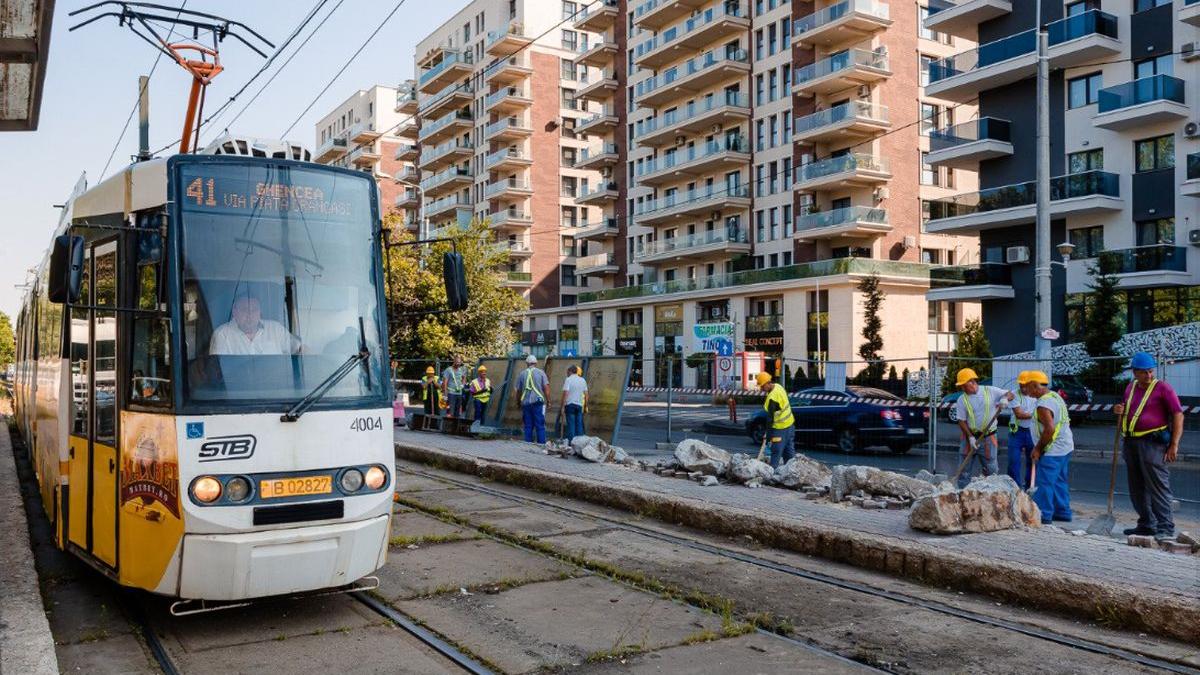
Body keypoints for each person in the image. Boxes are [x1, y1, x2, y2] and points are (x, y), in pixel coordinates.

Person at [1112, 352, 1184, 541]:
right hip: (1131, 442)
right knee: (1137, 487)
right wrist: (1118, 410)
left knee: (1158, 487)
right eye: (1144, 372)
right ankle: (1146, 524)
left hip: (1152, 443)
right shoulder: (1131, 387)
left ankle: (1166, 527)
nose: (1149, 375)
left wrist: (1174, 444)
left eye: (1151, 371)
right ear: (1135, 372)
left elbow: (1178, 415)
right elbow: (1128, 409)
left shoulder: (1163, 389)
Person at [1026, 370, 1074, 524]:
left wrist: (1038, 448)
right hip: (1065, 446)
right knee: (1059, 481)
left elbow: (1049, 429)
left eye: (1027, 387)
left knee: (1044, 482)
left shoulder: (1043, 404)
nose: (1026, 390)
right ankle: (1063, 512)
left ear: (1034, 385)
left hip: (1053, 449)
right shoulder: (1055, 396)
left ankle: (1044, 514)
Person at [953, 368, 1013, 488]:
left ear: (972, 382)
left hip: (988, 437)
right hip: (969, 437)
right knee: (964, 470)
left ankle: (993, 492)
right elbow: (961, 420)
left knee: (991, 469)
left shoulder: (990, 391)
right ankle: (962, 495)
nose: (962, 389)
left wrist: (1005, 399)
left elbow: (1010, 393)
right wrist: (970, 437)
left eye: (964, 385)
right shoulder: (962, 400)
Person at [210, 296, 300, 355]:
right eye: (245, 309)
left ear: (260, 312)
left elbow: (298, 348)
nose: (250, 314)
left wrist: (304, 349)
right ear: (234, 312)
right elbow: (217, 369)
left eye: (254, 309)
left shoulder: (276, 329)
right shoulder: (222, 334)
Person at [1006, 371, 1037, 489]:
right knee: (1014, 461)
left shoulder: (1036, 395)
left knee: (1032, 461)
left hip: (1032, 432)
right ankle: (1015, 488)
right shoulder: (1015, 395)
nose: (1023, 388)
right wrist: (1035, 415)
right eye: (1021, 385)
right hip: (1016, 432)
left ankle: (1029, 487)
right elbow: (1019, 414)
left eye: (1025, 385)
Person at [757, 372, 794, 469]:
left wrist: (768, 436)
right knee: (789, 453)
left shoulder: (772, 398)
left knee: (776, 452)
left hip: (780, 429)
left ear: (768, 383)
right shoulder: (778, 387)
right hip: (790, 425)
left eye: (762, 386)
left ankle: (772, 474)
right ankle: (791, 473)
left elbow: (770, 419)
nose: (761, 389)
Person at [516, 354, 551, 443]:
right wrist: (548, 401)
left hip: (526, 403)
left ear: (527, 363)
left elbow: (518, 391)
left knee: (528, 425)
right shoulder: (541, 373)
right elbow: (546, 388)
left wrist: (518, 402)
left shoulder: (522, 374)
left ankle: (528, 444)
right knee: (540, 425)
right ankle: (541, 444)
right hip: (538, 402)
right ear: (536, 363)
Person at [561, 365, 589, 442]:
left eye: (567, 372)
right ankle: (579, 443)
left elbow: (565, 393)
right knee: (579, 425)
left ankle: (571, 443)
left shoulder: (568, 379)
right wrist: (586, 406)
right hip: (579, 406)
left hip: (570, 405)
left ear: (570, 371)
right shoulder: (583, 380)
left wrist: (563, 407)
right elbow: (586, 394)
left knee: (571, 425)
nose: (567, 373)